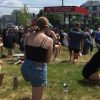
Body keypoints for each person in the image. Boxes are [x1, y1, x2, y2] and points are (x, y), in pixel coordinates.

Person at [21, 17, 53, 100]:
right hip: (38, 70)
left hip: (25, 68)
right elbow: (48, 60)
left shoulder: (28, 36)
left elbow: (25, 55)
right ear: (46, 27)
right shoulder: (49, 40)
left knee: (34, 83)